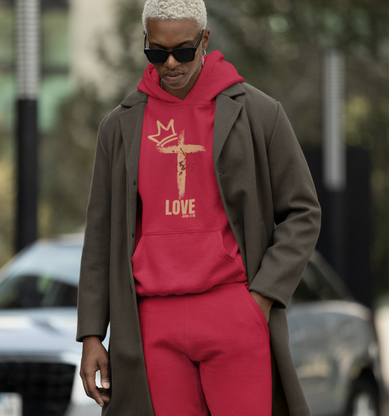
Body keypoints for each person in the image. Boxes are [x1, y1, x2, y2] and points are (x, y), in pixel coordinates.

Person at [76, 0, 321, 415]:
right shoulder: (119, 127)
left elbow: (302, 211)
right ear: (146, 42)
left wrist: (260, 298)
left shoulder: (260, 114)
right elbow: (100, 235)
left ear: (205, 40)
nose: (170, 63)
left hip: (232, 308)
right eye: (157, 51)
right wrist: (92, 335)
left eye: (183, 51)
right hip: (151, 322)